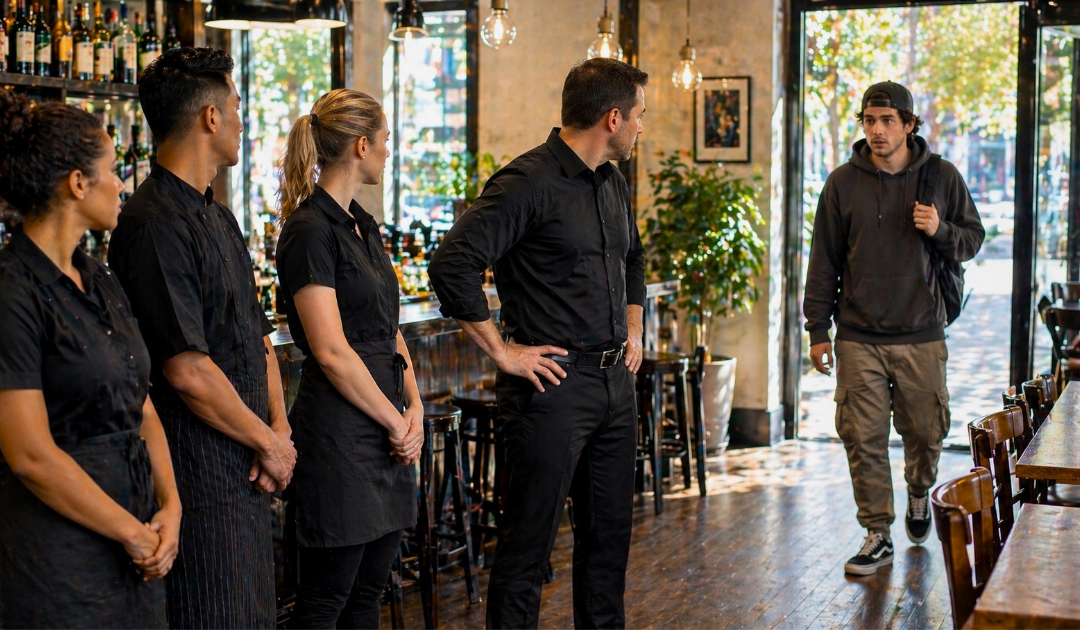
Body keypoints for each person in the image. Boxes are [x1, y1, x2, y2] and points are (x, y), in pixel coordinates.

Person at [429, 57, 647, 628]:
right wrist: (503, 351)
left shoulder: (613, 182)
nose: (642, 128)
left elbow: (634, 259)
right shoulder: (527, 182)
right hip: (550, 389)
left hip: (613, 387)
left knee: (608, 549)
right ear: (613, 117)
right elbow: (453, 264)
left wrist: (635, 325)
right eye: (640, 116)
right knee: (527, 553)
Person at [107, 47, 296, 628]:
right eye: (238, 106)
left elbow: (258, 335)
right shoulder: (151, 222)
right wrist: (266, 441)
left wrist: (279, 429)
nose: (244, 120)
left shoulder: (220, 215)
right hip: (200, 477)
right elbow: (186, 369)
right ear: (211, 117)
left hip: (249, 466)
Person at [0, 89, 180, 627]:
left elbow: (141, 407)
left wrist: (169, 507)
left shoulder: (99, 278)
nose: (123, 183)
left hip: (138, 536)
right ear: (77, 184)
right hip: (59, 555)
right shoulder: (13, 291)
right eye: (111, 170)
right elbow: (30, 453)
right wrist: (131, 530)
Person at [803, 81, 984, 576]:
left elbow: (972, 240)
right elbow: (824, 260)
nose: (877, 130)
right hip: (858, 335)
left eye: (887, 121)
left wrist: (939, 229)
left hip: (922, 332)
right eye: (869, 120)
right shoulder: (842, 182)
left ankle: (920, 491)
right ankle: (877, 531)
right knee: (862, 437)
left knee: (925, 433)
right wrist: (818, 328)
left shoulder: (941, 177)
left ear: (909, 124)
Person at [274, 89, 424, 628]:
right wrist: (396, 421)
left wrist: (416, 408)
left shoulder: (365, 225)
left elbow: (389, 328)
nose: (389, 151)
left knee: (368, 597)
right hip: (340, 437)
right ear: (362, 145)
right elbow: (332, 352)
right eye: (385, 141)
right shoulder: (310, 231)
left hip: (388, 430)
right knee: (325, 603)